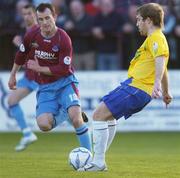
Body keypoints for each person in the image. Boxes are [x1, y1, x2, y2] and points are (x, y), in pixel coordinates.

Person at [78, 3, 172, 171]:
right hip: (134, 86)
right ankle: (98, 159)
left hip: (137, 88)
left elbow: (160, 61)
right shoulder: (154, 39)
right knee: (107, 117)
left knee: (98, 114)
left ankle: (98, 162)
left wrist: (157, 83)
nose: (137, 23)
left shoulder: (156, 37)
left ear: (148, 20)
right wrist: (165, 91)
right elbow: (163, 66)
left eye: (139, 20)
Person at [8, 3, 91, 152]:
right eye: (41, 19)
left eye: (48, 18)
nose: (45, 22)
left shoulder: (63, 38)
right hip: (46, 87)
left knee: (77, 118)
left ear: (55, 17)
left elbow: (63, 69)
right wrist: (13, 74)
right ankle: (66, 113)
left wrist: (38, 68)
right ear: (37, 20)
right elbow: (21, 54)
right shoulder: (32, 34)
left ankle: (89, 156)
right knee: (43, 125)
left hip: (65, 83)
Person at [8, 4, 38, 152]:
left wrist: (19, 44)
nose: (27, 16)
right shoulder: (24, 30)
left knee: (61, 109)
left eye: (29, 13)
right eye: (24, 14)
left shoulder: (39, 31)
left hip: (41, 77)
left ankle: (83, 127)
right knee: (11, 100)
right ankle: (27, 134)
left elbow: (38, 53)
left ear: (35, 14)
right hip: (29, 76)